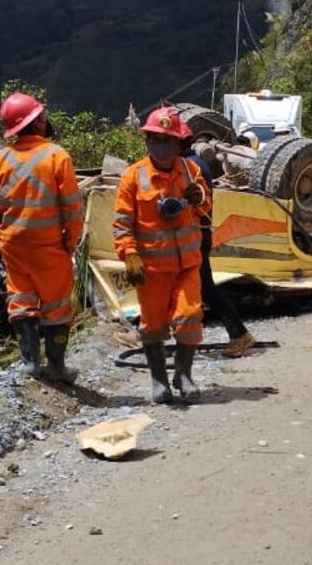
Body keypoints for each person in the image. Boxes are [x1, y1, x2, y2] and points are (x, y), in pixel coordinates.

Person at [0, 92, 84, 383]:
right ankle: (56, 367)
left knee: (22, 301)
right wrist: (70, 241)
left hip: (13, 245)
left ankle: (29, 364)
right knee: (56, 306)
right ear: (37, 121)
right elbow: (73, 209)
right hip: (49, 245)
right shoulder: (56, 156)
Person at [113, 107, 211, 403]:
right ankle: (159, 382)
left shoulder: (189, 171)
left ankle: (184, 375)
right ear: (147, 141)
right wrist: (130, 255)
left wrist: (200, 199)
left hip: (186, 264)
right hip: (152, 269)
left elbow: (205, 210)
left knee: (190, 316)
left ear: (177, 143)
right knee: (153, 326)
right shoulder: (133, 177)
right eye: (154, 139)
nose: (160, 145)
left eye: (166, 140)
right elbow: (122, 223)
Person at [180, 139, 257, 356]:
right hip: (200, 233)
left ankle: (240, 335)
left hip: (195, 235)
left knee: (206, 288)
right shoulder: (196, 163)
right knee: (203, 287)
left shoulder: (188, 167)